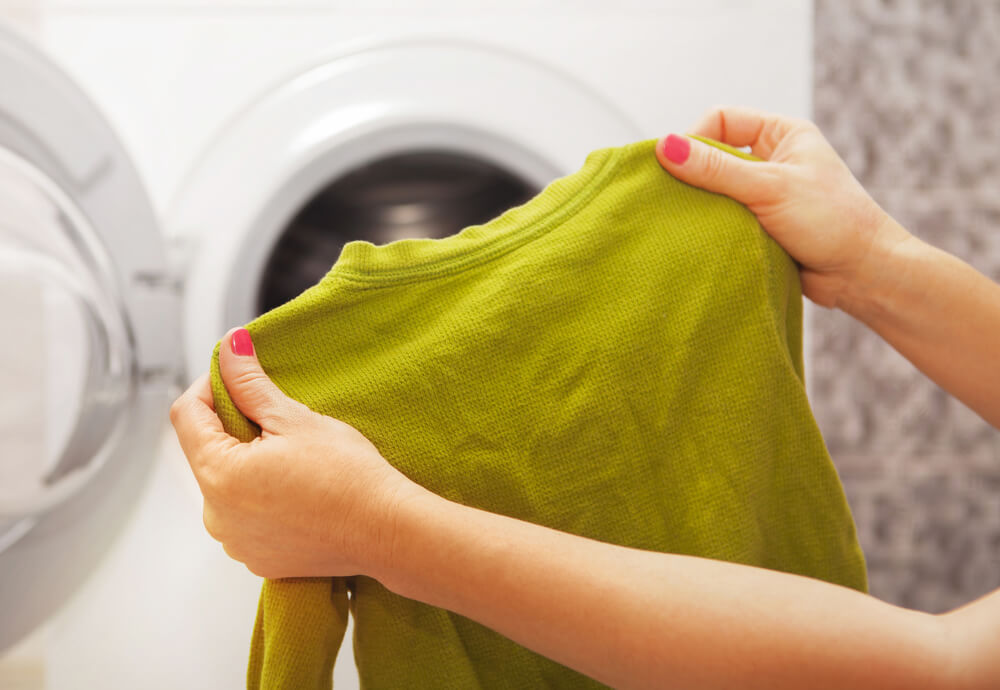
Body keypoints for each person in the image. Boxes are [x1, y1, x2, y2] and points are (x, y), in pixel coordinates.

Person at [170, 106, 1000, 690]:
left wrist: (378, 528)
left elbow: (941, 671)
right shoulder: (706, 236)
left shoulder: (310, 370)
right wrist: (868, 256)